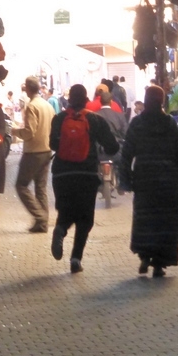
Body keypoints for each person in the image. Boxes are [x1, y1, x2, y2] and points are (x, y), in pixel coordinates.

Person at [119, 85, 178, 278]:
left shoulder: (137, 124)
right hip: (168, 180)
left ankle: (144, 257)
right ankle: (159, 264)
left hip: (145, 180)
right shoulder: (169, 124)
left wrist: (125, 180)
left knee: (145, 220)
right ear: (162, 101)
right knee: (166, 222)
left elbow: (126, 155)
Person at [50, 85, 119, 274]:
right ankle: (75, 259)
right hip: (86, 174)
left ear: (70, 99)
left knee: (66, 210)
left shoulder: (59, 119)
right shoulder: (95, 119)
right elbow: (112, 146)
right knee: (85, 218)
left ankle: (60, 230)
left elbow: (53, 144)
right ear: (86, 98)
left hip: (61, 174)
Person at [11, 76, 55, 233]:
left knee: (21, 185)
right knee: (40, 187)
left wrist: (15, 130)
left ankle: (40, 217)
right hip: (47, 149)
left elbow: (30, 132)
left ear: (28, 89)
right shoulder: (47, 105)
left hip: (33, 152)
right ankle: (42, 224)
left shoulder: (32, 106)